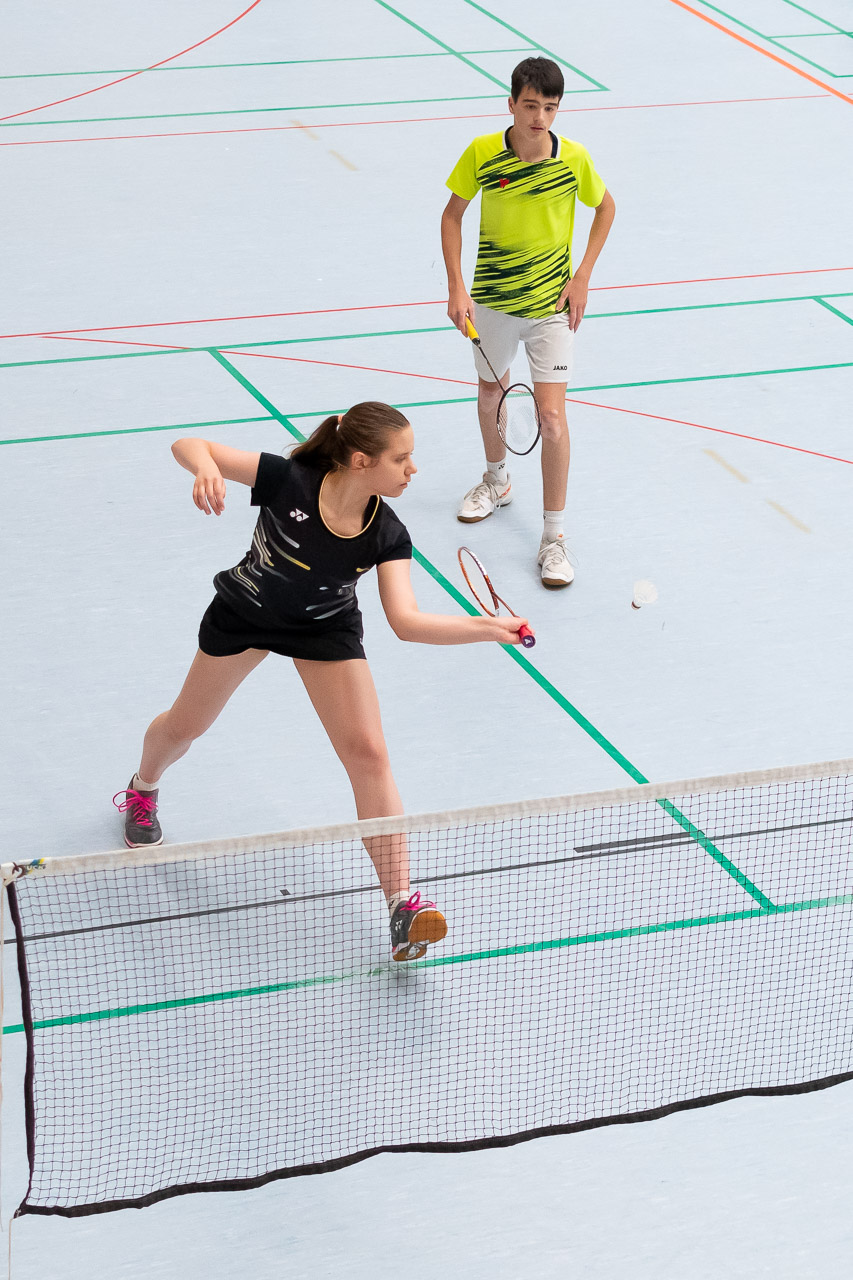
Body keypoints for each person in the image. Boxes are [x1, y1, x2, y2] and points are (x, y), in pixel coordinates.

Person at [113, 402, 530, 963]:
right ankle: (143, 787)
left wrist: (489, 628)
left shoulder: (387, 533)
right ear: (360, 461)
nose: (413, 469)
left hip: (323, 627)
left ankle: (402, 906)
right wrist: (206, 466)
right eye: (402, 459)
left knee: (369, 755)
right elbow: (187, 444)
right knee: (185, 727)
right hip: (246, 613)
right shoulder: (288, 479)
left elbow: (406, 623)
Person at [441, 55, 616, 588]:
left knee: (553, 418)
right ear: (511, 104)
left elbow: (606, 208)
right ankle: (496, 480)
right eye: (531, 105)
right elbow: (452, 215)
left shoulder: (574, 159)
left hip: (550, 308)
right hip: (493, 300)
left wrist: (582, 275)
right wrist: (456, 287)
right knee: (490, 394)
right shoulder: (482, 152)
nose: (540, 118)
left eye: (550, 108)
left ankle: (553, 537)